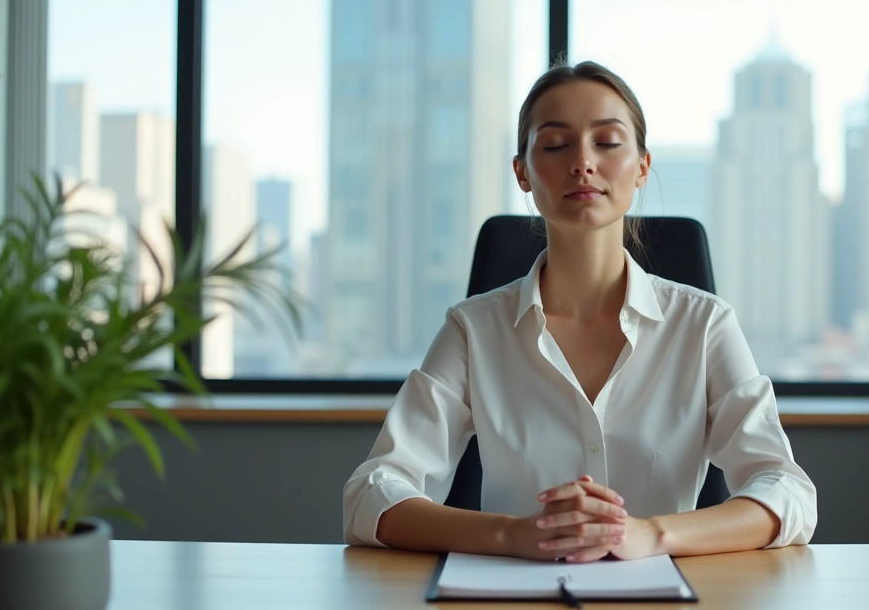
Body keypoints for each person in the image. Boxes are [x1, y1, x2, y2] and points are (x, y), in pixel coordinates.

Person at [342, 61, 817, 562]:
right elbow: (371, 494)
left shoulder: (703, 325)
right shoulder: (474, 329)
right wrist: (513, 535)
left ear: (642, 167)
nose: (583, 163)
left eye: (608, 142)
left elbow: (787, 490)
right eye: (554, 145)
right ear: (522, 173)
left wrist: (651, 534)